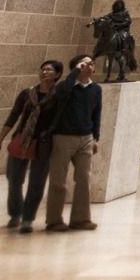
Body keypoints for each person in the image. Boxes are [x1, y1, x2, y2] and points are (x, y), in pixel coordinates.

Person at [0, 59, 62, 233]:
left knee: (36, 183)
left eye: (49, 70)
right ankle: (16, 212)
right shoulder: (27, 94)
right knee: (14, 179)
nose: (44, 72)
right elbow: (13, 117)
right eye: (42, 69)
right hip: (21, 140)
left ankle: (28, 218)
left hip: (42, 144)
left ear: (57, 75)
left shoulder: (59, 96)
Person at [44, 54, 101, 231]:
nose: (88, 67)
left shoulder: (96, 89)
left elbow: (96, 114)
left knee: (84, 179)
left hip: (85, 138)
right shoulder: (65, 87)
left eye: (91, 64)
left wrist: (95, 137)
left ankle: (81, 219)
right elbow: (61, 93)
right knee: (58, 181)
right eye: (84, 64)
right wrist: (75, 72)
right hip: (63, 137)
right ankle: (54, 220)